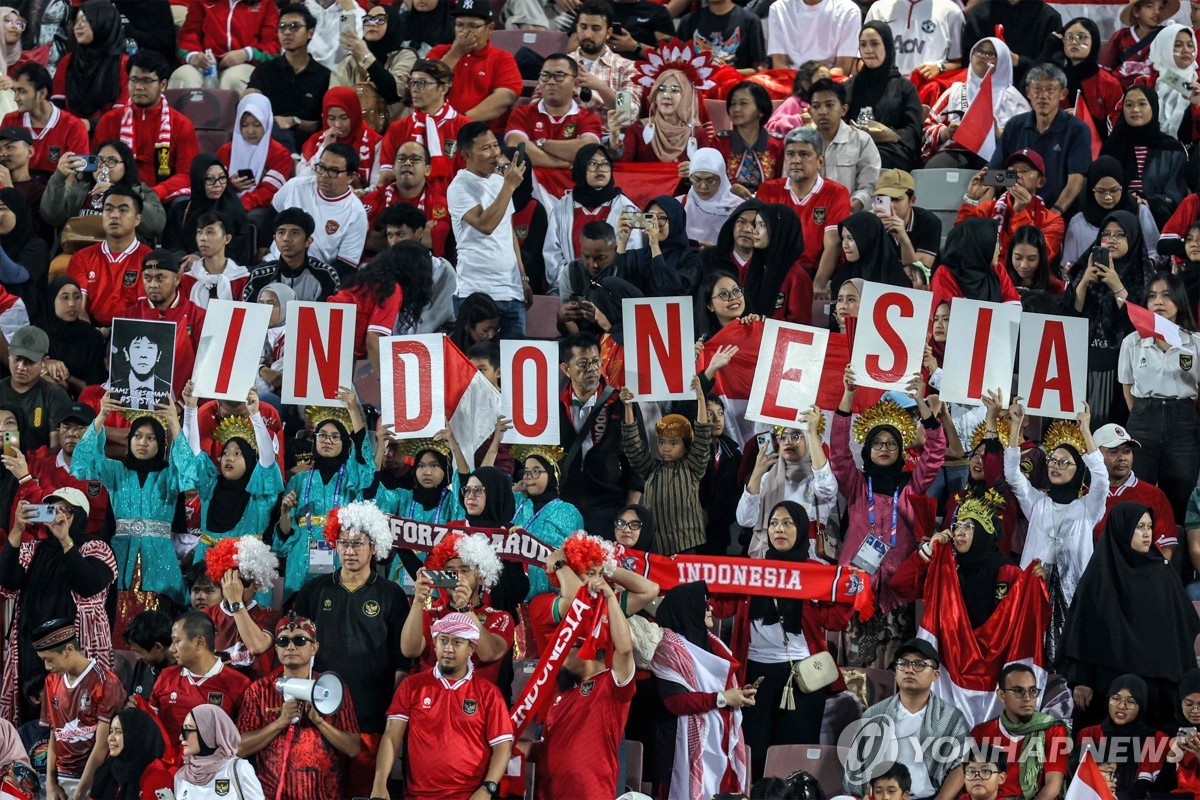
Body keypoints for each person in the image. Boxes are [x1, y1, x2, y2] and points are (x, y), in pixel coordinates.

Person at [291, 501, 407, 797]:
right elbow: (295, 654)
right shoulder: (313, 591)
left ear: (374, 546)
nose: (350, 550)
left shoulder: (391, 594)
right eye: (343, 542)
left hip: (370, 716)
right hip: (321, 715)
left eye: (358, 543)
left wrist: (392, 713)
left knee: (363, 793)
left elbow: (401, 659)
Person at [832, 375, 946, 660]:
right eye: (878, 443)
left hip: (898, 595)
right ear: (868, 449)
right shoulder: (856, 485)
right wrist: (848, 397)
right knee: (856, 675)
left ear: (901, 450)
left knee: (896, 674)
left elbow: (935, 453)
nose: (884, 449)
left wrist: (921, 402)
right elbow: (838, 453)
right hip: (857, 592)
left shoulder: (911, 486)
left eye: (891, 444)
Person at [739, 501, 852, 778]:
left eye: (788, 523)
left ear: (801, 529)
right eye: (774, 523)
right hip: (755, 674)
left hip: (802, 676)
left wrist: (850, 589)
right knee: (756, 749)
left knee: (796, 750)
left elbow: (833, 621)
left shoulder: (816, 572)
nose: (780, 529)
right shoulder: (750, 571)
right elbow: (722, 605)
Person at [1063, 502, 1200, 728]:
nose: (1147, 534)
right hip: (1107, 684)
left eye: (1149, 527)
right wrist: (1082, 680)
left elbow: (1180, 633)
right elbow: (1082, 632)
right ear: (1122, 529)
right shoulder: (1099, 578)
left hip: (1156, 685)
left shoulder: (1163, 574)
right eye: (1139, 527)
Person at [70, 396, 195, 633]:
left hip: (160, 561)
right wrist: (102, 415)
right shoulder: (116, 470)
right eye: (137, 436)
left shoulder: (171, 475)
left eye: (150, 438)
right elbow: (81, 464)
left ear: (161, 443)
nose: (143, 443)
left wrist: (174, 423)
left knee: (158, 628)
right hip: (119, 555)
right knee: (116, 622)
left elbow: (191, 472)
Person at [1, 483, 116, 728]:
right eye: (51, 509)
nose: (58, 515)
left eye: (66, 510)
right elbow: (8, 581)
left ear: (80, 516)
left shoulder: (96, 548)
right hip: (32, 648)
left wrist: (66, 541)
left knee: (77, 711)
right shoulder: (32, 549)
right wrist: (16, 531)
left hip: (76, 646)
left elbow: (88, 584)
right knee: (32, 705)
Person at [372, 613, 513, 800]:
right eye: (443, 640)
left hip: (469, 796)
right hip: (417, 796)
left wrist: (487, 790)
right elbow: (391, 736)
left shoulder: (489, 693)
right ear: (435, 643)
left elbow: (502, 747)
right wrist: (379, 785)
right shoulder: (412, 686)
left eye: (457, 642)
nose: (448, 648)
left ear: (472, 648)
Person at [1005, 402, 1105, 663]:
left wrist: (1086, 432)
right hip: (1033, 599)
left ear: (1079, 470)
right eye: (1052, 459)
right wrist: (1015, 426)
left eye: (1065, 462)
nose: (1055, 465)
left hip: (1074, 602)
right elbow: (1013, 475)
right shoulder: (1037, 503)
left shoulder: (1087, 509)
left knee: (1067, 663)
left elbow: (1102, 480)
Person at [525, 567, 635, 798]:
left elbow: (624, 650)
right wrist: (512, 745)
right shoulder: (559, 696)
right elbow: (550, 750)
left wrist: (609, 597)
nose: (559, 655)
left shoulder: (610, 687)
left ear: (586, 650)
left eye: (567, 648)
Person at [236, 615, 361, 800]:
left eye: (300, 640)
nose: (291, 646)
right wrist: (280, 723)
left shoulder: (333, 689)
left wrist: (320, 722)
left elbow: (353, 748)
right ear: (276, 647)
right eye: (283, 641)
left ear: (314, 647)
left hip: (323, 795)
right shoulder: (259, 691)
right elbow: (240, 748)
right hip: (269, 794)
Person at [652, 582, 752, 799]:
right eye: (705, 604)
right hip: (680, 744)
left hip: (719, 740)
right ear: (688, 609)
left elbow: (719, 689)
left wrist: (739, 695)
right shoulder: (669, 650)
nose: (711, 609)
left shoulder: (713, 644)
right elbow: (675, 702)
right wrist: (722, 699)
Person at [1116, 274, 1199, 519]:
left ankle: (1175, 552)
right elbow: (1127, 385)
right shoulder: (1132, 342)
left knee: (1181, 491)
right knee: (1138, 489)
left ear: (1180, 300)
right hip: (1143, 418)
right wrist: (1143, 413)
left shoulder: (1195, 342)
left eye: (1166, 295)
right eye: (1152, 296)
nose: (1158, 301)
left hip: (1184, 420)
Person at [843, 638, 969, 798]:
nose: (909, 670)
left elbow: (962, 765)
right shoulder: (874, 715)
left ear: (935, 675)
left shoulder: (950, 718)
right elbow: (855, 766)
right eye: (903, 663)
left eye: (919, 664)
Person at [274, 400, 372, 599]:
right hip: (301, 556)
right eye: (322, 435)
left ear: (345, 441)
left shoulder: (352, 478)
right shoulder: (299, 479)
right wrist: (285, 513)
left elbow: (365, 461)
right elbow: (285, 534)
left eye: (335, 436)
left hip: (341, 552)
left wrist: (354, 409)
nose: (328, 440)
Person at [1072, 211, 1158, 425]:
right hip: (1084, 362)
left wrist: (1115, 284)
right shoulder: (1085, 267)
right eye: (1106, 234)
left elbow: (1138, 322)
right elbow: (1070, 317)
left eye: (1120, 235)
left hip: (1123, 365)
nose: (1111, 240)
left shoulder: (1144, 274)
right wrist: (1083, 283)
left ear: (1133, 237)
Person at [448, 121, 531, 337]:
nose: (495, 153)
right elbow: (486, 225)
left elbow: (507, 231)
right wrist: (509, 186)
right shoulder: (459, 187)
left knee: (513, 368)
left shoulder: (498, 182)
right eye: (485, 148)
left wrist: (523, 278)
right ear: (466, 155)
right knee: (476, 364)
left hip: (511, 292)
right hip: (475, 293)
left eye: (495, 145)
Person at [401, 531, 513, 684]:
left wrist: (466, 609)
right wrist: (418, 602)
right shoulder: (432, 615)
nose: (458, 576)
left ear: (481, 577)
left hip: (476, 702)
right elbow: (409, 650)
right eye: (451, 572)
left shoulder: (500, 617)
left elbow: (489, 654)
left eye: (465, 570)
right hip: (431, 700)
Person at [557, 333, 643, 534]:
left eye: (596, 362)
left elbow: (636, 458)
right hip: (565, 503)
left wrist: (629, 508)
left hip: (609, 505)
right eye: (583, 364)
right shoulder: (554, 404)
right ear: (565, 369)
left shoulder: (621, 402)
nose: (592, 369)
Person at [92, 50, 200, 204]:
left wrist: (153, 193)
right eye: (134, 80)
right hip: (115, 195)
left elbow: (186, 174)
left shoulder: (182, 125)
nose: (138, 87)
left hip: (162, 199)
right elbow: (96, 164)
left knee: (182, 202)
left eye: (146, 81)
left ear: (163, 85)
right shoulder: (110, 120)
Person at [34, 618, 125, 800]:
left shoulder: (105, 682)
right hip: (60, 778)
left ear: (68, 650)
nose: (47, 667)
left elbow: (103, 743)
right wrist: (51, 784)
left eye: (49, 660)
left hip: (95, 778)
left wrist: (82, 790)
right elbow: (55, 732)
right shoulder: (51, 682)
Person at [621, 376, 711, 555]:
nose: (665, 448)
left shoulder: (693, 467)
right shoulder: (651, 469)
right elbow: (633, 445)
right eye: (661, 442)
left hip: (685, 545)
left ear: (686, 444)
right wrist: (628, 407)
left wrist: (700, 399)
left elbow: (702, 435)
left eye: (673, 443)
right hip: (654, 546)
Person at [756, 127, 851, 293]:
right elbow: (758, 240)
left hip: (816, 274)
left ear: (820, 161)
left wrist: (818, 285)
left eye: (804, 154)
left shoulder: (836, 193)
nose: (795, 160)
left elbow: (833, 244)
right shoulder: (768, 190)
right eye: (790, 154)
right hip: (775, 273)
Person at [990, 64, 1091, 216]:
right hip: (1014, 210)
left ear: (1063, 93)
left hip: (1058, 213)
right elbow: (995, 174)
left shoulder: (1077, 129)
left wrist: (1054, 213)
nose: (1043, 95)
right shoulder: (1014, 125)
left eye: (1050, 90)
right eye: (1037, 89)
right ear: (1028, 92)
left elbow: (1076, 179)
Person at [737, 410, 838, 559]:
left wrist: (812, 432)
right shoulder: (767, 478)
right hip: (772, 555)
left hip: (810, 557)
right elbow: (745, 519)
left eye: (796, 435)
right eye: (783, 437)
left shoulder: (817, 480)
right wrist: (756, 473)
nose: (788, 441)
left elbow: (827, 489)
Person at [543, 144, 638, 290]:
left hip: (612, 293)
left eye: (605, 164)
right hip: (571, 291)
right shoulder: (562, 208)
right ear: (581, 168)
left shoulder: (627, 209)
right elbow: (552, 255)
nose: (600, 169)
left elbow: (633, 254)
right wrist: (573, 282)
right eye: (593, 163)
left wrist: (607, 285)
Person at [150, 612, 252, 744]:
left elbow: (242, 740)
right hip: (169, 763)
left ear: (199, 642)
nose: (171, 649)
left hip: (215, 763)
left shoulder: (238, 683)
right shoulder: (165, 677)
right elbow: (150, 727)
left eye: (176, 641)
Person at [608, 47, 712, 176]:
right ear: (654, 96)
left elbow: (710, 173)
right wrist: (614, 138)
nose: (666, 95)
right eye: (661, 89)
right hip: (643, 193)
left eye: (675, 90)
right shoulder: (638, 129)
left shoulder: (697, 134)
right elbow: (621, 169)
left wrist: (696, 171)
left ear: (687, 97)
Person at [41, 139, 166, 246]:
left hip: (121, 253)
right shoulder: (78, 190)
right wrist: (58, 177)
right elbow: (51, 216)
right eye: (99, 160)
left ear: (126, 166)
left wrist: (118, 194)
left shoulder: (142, 191)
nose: (104, 166)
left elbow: (156, 225)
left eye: (112, 161)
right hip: (79, 249)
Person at [243, 3, 331, 155]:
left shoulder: (323, 76)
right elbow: (250, 100)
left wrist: (293, 121)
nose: (287, 32)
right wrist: (251, 97)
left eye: (294, 26)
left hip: (308, 146)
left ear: (310, 32)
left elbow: (321, 125)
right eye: (282, 27)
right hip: (269, 141)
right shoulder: (265, 70)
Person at [269, 142, 367, 275]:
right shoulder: (295, 186)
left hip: (316, 276)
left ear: (350, 177)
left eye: (333, 171)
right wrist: (263, 247)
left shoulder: (356, 213)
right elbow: (273, 212)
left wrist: (316, 281)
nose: (324, 175)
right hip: (274, 264)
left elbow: (346, 265)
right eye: (321, 167)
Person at [958, 150, 1065, 268]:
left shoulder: (1053, 221)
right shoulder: (988, 208)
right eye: (1012, 171)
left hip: (1024, 283)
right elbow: (962, 243)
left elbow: (1035, 262)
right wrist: (970, 200)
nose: (1018, 175)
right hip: (989, 278)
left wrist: (1020, 213)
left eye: (1024, 171)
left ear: (1040, 182)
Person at [1099, 84, 1188, 227]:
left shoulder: (1173, 148)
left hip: (1161, 218)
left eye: (1142, 104)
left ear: (1153, 107)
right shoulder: (1111, 147)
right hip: (1117, 217)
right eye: (1129, 105)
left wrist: (1150, 203)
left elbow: (1176, 191)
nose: (1135, 110)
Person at [65, 186, 153, 328]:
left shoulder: (149, 259)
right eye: (109, 209)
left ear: (137, 219)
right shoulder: (81, 257)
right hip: (91, 332)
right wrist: (91, 335)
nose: (114, 215)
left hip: (133, 333)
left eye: (123, 210)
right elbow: (78, 307)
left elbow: (145, 312)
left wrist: (113, 334)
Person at [426, 0, 521, 129]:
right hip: (436, 127)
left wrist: (460, 121)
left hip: (483, 131)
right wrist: (455, 54)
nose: (465, 32)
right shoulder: (438, 52)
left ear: (490, 28)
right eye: (460, 25)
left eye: (473, 26)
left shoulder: (502, 58)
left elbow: (505, 97)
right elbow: (425, 87)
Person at [376, 59, 470, 187]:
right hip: (407, 201)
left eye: (422, 83)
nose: (414, 89)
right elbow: (386, 177)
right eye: (412, 83)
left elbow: (470, 178)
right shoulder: (397, 128)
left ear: (443, 88)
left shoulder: (465, 127)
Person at [844, 21, 924, 171]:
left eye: (874, 44)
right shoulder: (849, 87)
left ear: (887, 46)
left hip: (893, 152)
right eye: (863, 45)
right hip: (854, 148)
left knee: (870, 156)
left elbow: (913, 132)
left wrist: (888, 134)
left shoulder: (905, 88)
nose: (868, 50)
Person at [1093, 422, 1177, 558]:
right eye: (1113, 451)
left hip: (1142, 574)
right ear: (1095, 456)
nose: (1122, 458)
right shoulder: (1085, 497)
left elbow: (1167, 545)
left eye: (1127, 451)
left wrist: (1148, 575)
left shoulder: (1154, 495)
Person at [1075, 674, 1171, 793]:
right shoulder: (1089, 734)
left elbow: (1163, 785)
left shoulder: (1157, 738)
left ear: (1142, 705)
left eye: (1130, 702)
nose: (1121, 706)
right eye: (1115, 698)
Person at [218, 93, 293, 245]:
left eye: (257, 124)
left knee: (251, 217)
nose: (250, 131)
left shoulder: (280, 154)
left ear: (266, 121)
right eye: (244, 125)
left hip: (260, 207)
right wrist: (229, 185)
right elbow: (213, 182)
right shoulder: (225, 151)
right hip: (227, 200)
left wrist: (242, 204)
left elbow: (271, 191)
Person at [505, 53, 601, 169]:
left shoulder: (588, 117)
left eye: (559, 75)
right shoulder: (522, 113)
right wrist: (560, 164)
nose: (550, 81)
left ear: (575, 84)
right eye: (545, 75)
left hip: (573, 185)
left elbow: (588, 150)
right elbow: (517, 148)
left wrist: (540, 143)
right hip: (532, 184)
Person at [1062, 156, 1160, 268]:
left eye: (1114, 190)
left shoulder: (1140, 213)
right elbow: (1068, 262)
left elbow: (1156, 253)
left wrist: (1146, 266)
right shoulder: (1078, 222)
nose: (1108, 197)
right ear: (1091, 189)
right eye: (1101, 191)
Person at [561, 0, 641, 135]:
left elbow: (628, 115)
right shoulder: (562, 64)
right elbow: (538, 104)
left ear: (608, 32)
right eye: (583, 27)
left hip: (605, 140)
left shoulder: (626, 68)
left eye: (596, 28)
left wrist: (601, 87)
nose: (588, 34)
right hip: (561, 136)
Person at [170, 0, 279, 93]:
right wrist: (192, 56)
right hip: (205, 65)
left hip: (246, 64)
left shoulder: (265, 3)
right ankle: (182, 118)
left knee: (233, 79)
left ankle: (232, 118)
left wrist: (246, 54)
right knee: (183, 76)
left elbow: (274, 46)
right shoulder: (202, 1)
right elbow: (188, 35)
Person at [805, 78, 880, 213]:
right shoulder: (801, 143)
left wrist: (848, 207)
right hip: (808, 216)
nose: (822, 111)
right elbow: (790, 183)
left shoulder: (861, 140)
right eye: (816, 106)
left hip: (849, 218)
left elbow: (869, 187)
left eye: (829, 105)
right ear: (810, 112)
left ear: (843, 110)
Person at [2, 63, 87, 179]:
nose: (15, 98)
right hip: (16, 189)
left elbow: (78, 176)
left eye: (22, 91)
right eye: (15, 91)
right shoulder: (10, 120)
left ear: (42, 93)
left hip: (57, 192)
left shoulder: (74, 126)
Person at [53, 1, 129, 129]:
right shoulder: (68, 61)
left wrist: (91, 125)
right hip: (70, 133)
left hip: (111, 134)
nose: (78, 26)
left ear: (104, 23)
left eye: (85, 20)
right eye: (76, 21)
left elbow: (123, 112)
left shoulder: (123, 64)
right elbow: (57, 106)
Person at [165, 154, 252, 264]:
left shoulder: (234, 211)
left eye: (222, 178)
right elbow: (171, 245)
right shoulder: (180, 210)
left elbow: (238, 252)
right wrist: (184, 261)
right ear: (198, 180)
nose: (218, 185)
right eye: (210, 179)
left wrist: (200, 258)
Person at [332, 3, 415, 117]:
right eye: (368, 19)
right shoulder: (351, 61)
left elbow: (393, 92)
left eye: (380, 19)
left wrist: (365, 55)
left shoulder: (406, 55)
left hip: (395, 128)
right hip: (360, 129)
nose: (372, 23)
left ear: (392, 24)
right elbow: (334, 99)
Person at [243, 209, 340, 303]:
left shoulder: (325, 275)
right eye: (281, 232)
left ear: (308, 241)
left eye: (294, 233)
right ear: (274, 239)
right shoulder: (259, 275)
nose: (286, 238)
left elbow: (331, 315)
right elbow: (250, 314)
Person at [0, 325, 70, 451]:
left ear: (44, 362)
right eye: (17, 359)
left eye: (29, 362)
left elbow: (56, 447)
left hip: (40, 464)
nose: (21, 367)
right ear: (9, 354)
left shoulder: (55, 395)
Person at [614, 195, 701, 297]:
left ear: (676, 221)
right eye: (650, 217)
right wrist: (622, 243)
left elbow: (669, 290)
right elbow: (615, 286)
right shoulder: (636, 256)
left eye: (661, 218)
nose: (655, 224)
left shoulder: (691, 259)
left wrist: (655, 247)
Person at [961, 0, 1062, 86]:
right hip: (981, 89)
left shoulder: (1050, 17)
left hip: (1032, 92)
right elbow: (967, 62)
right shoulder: (978, 14)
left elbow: (1054, 70)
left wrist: (1018, 60)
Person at [175, 705, 264, 800]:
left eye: (187, 730)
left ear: (209, 732)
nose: (181, 737)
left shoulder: (239, 769)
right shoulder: (181, 776)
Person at [299, 86, 383, 186]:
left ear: (354, 115)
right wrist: (324, 147)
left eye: (344, 118)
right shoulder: (315, 141)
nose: (337, 124)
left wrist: (357, 194)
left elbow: (377, 185)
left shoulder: (375, 143)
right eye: (331, 118)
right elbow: (301, 181)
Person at [1053, 17, 1123, 136]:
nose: (1074, 42)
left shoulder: (1108, 83)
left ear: (1094, 42)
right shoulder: (1054, 81)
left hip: (1100, 149)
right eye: (1069, 37)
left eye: (1081, 37)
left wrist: (1085, 119)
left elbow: (1119, 127)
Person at [712, 82, 782, 196]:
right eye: (732, 104)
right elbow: (712, 178)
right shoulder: (719, 142)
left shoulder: (777, 144)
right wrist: (729, 188)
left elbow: (783, 182)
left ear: (761, 111)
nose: (736, 109)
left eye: (743, 103)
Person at [89, 706, 174, 800]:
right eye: (111, 731)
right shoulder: (106, 771)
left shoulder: (158, 777)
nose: (111, 738)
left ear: (136, 736)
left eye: (119, 732)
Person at [864, 0, 963, 77]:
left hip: (927, 89)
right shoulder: (878, 8)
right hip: (885, 87)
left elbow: (959, 62)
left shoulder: (951, 11)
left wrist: (939, 68)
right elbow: (861, 59)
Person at [873, 169, 942, 278]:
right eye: (883, 199)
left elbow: (918, 276)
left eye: (895, 199)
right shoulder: (871, 224)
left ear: (912, 200)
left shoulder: (929, 223)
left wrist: (903, 238)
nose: (890, 205)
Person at [1101, 0, 1178, 88]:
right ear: (1136, 11)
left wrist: (1187, 90)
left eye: (1161, 8)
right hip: (1120, 92)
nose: (1157, 11)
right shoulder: (1121, 36)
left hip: (1154, 92)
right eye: (1149, 6)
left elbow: (1175, 71)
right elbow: (1104, 70)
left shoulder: (1168, 35)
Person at [766, 0, 858, 73]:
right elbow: (779, 63)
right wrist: (801, 84)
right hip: (791, 79)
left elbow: (843, 67)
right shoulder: (779, 8)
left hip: (829, 80)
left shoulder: (849, 10)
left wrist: (818, 82)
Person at [678, 0, 765, 74]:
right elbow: (677, 65)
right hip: (697, 90)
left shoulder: (750, 21)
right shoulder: (688, 21)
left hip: (735, 89)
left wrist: (725, 73)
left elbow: (760, 68)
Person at [833, 210, 909, 290]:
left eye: (850, 238)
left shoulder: (895, 279)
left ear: (869, 239)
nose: (845, 245)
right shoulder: (841, 277)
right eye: (843, 238)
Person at [122, 610, 174, 702]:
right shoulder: (143, 664)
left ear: (158, 647)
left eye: (139, 652)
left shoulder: (184, 673)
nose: (137, 657)